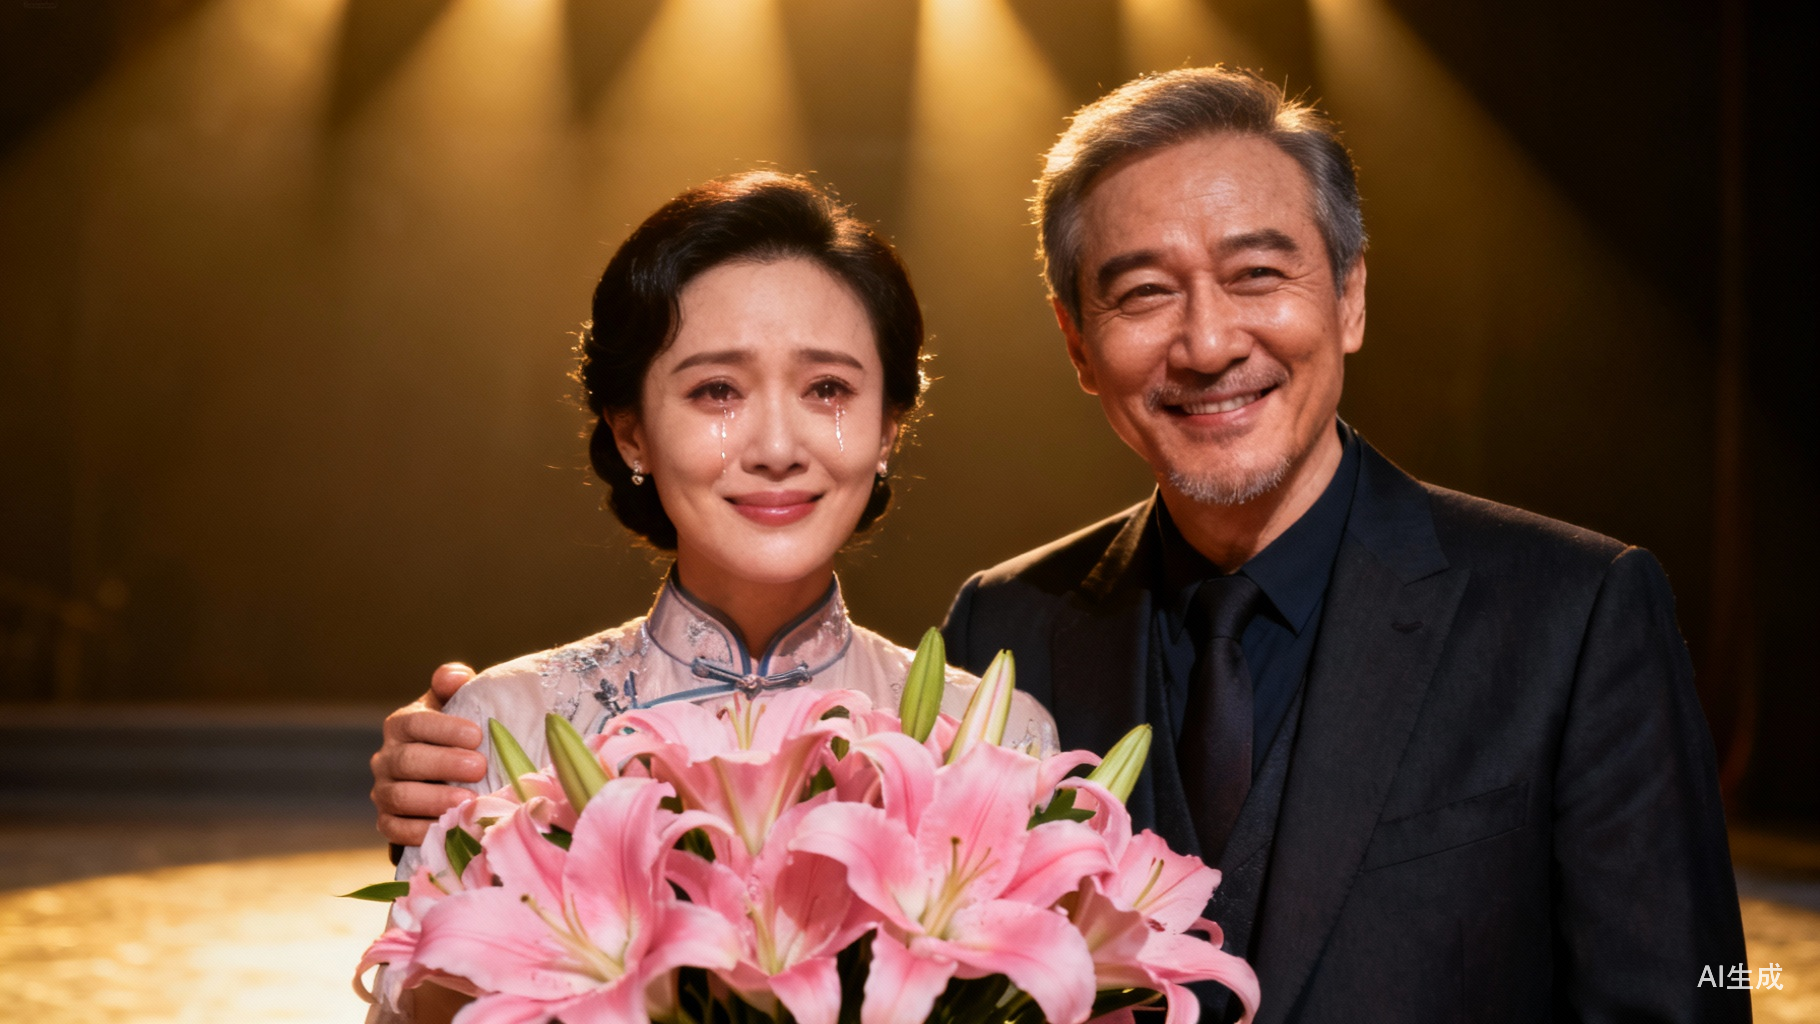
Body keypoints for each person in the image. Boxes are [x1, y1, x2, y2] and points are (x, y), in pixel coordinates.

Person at [372, 70, 1750, 1023]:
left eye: (1257, 275)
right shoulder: (1004, 643)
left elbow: (1694, 993)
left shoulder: (1576, 612)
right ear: (1079, 348)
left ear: (1348, 295)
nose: (1206, 341)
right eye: (1143, 294)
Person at [367, 170, 1056, 1022]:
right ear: (632, 433)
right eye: (716, 391)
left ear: (888, 428)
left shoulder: (995, 741)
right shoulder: (507, 728)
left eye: (828, 390)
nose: (776, 446)